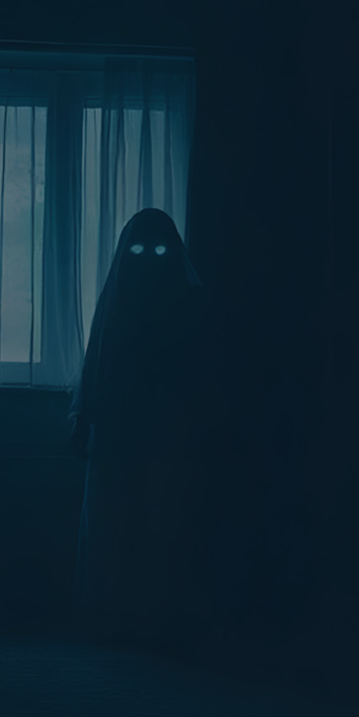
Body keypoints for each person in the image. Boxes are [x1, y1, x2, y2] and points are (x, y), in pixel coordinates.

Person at [69, 208, 206, 644]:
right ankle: (114, 610)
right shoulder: (115, 301)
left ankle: (156, 613)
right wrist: (83, 418)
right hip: (116, 428)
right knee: (113, 517)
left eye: (160, 249)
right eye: (139, 249)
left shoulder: (189, 304)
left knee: (161, 517)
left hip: (168, 432)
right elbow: (94, 362)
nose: (148, 258)